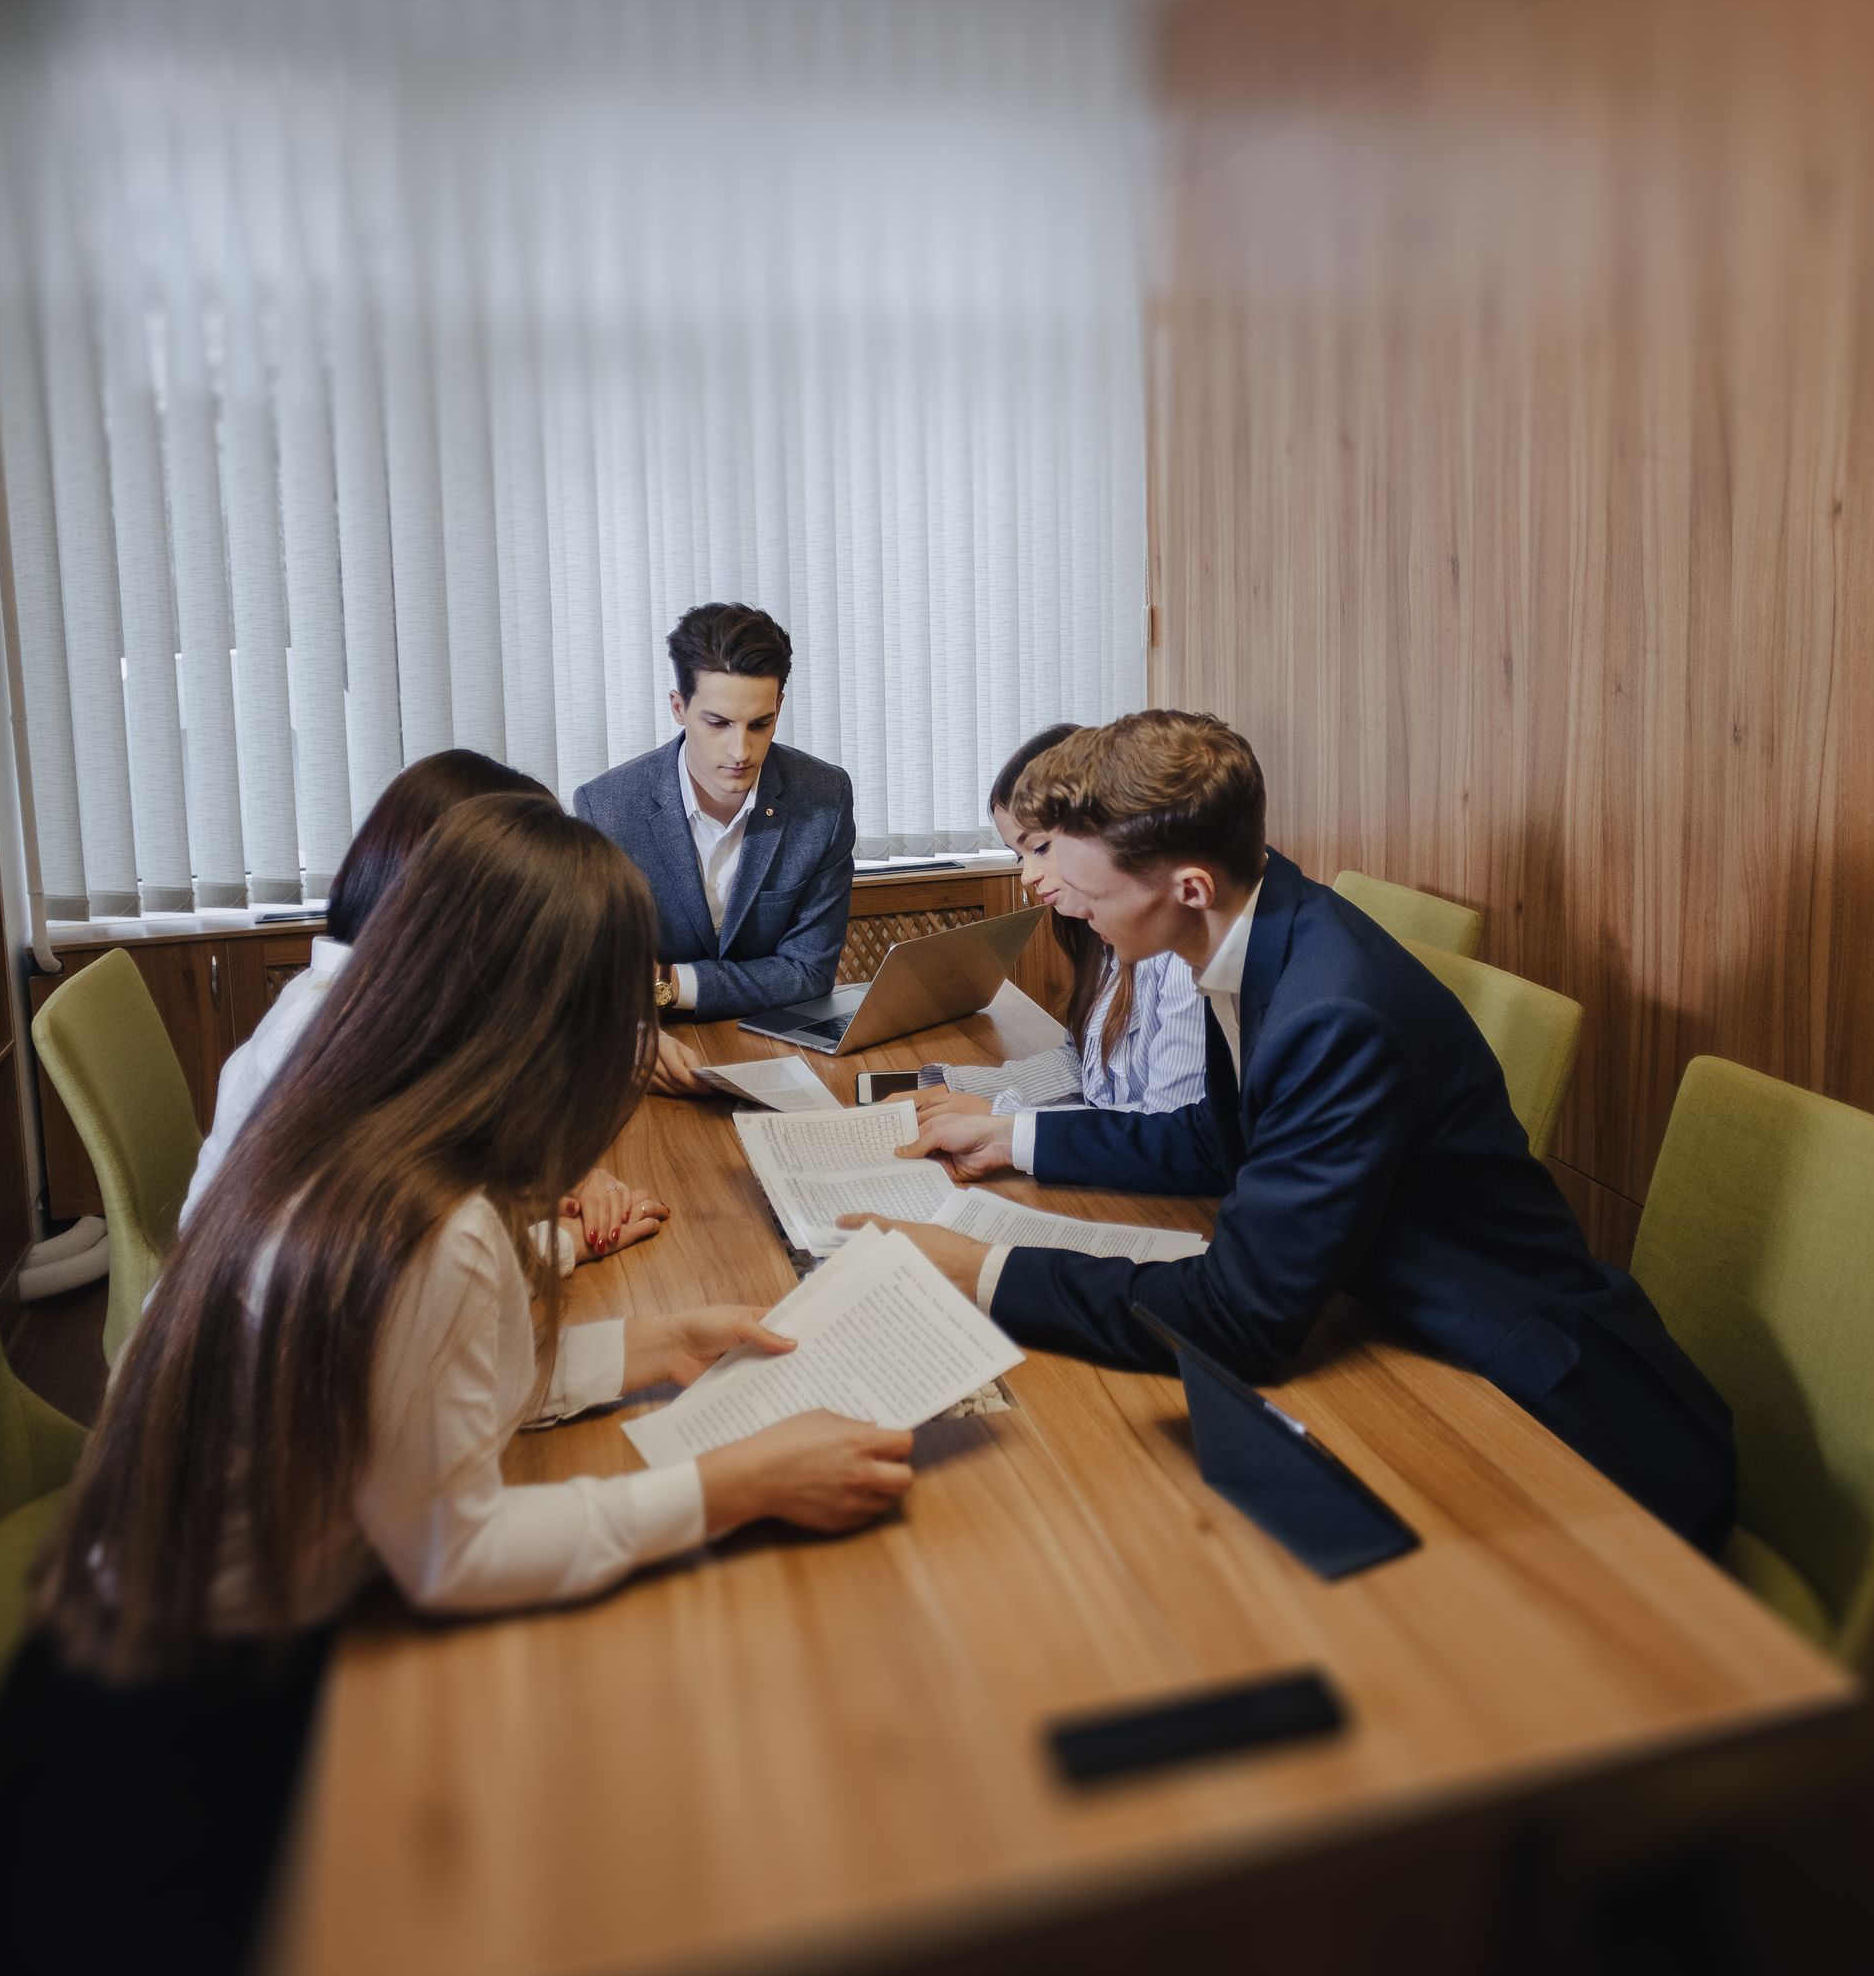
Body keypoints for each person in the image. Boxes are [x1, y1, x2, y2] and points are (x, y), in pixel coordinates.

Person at [2, 794, 910, 1976]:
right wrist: (737, 1483)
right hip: (173, 1774)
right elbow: (453, 1550)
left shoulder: (354, 1131)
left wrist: (648, 1347)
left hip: (115, 1657)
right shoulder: (441, 1226)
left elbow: (404, 1391)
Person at [874, 711, 1736, 1554]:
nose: (1065, 903)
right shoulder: (1257, 927)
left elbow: (1241, 1322)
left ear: (1187, 888)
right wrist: (1016, 1141)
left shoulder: (1332, 1012)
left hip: (1541, 1403)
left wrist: (984, 1270)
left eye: (1088, 888)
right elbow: (1222, 1145)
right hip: (1379, 1320)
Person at [183, 749, 662, 1260]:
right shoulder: (341, 1043)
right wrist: (561, 1242)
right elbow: (403, 1269)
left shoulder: (372, 998)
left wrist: (553, 1177)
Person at [572, 602, 856, 1088]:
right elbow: (604, 977)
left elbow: (809, 973)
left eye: (759, 724)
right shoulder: (606, 809)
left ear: (779, 708)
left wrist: (667, 982)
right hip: (654, 1054)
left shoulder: (824, 797)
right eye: (718, 723)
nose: (740, 752)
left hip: (782, 1052)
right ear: (678, 708)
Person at [918, 721, 1206, 1125]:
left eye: (1039, 848)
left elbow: (1170, 1128)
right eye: (1019, 857)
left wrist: (1005, 1119)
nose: (1027, 875)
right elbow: (1084, 1067)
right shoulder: (1098, 937)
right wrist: (949, 1090)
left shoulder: (1178, 951)